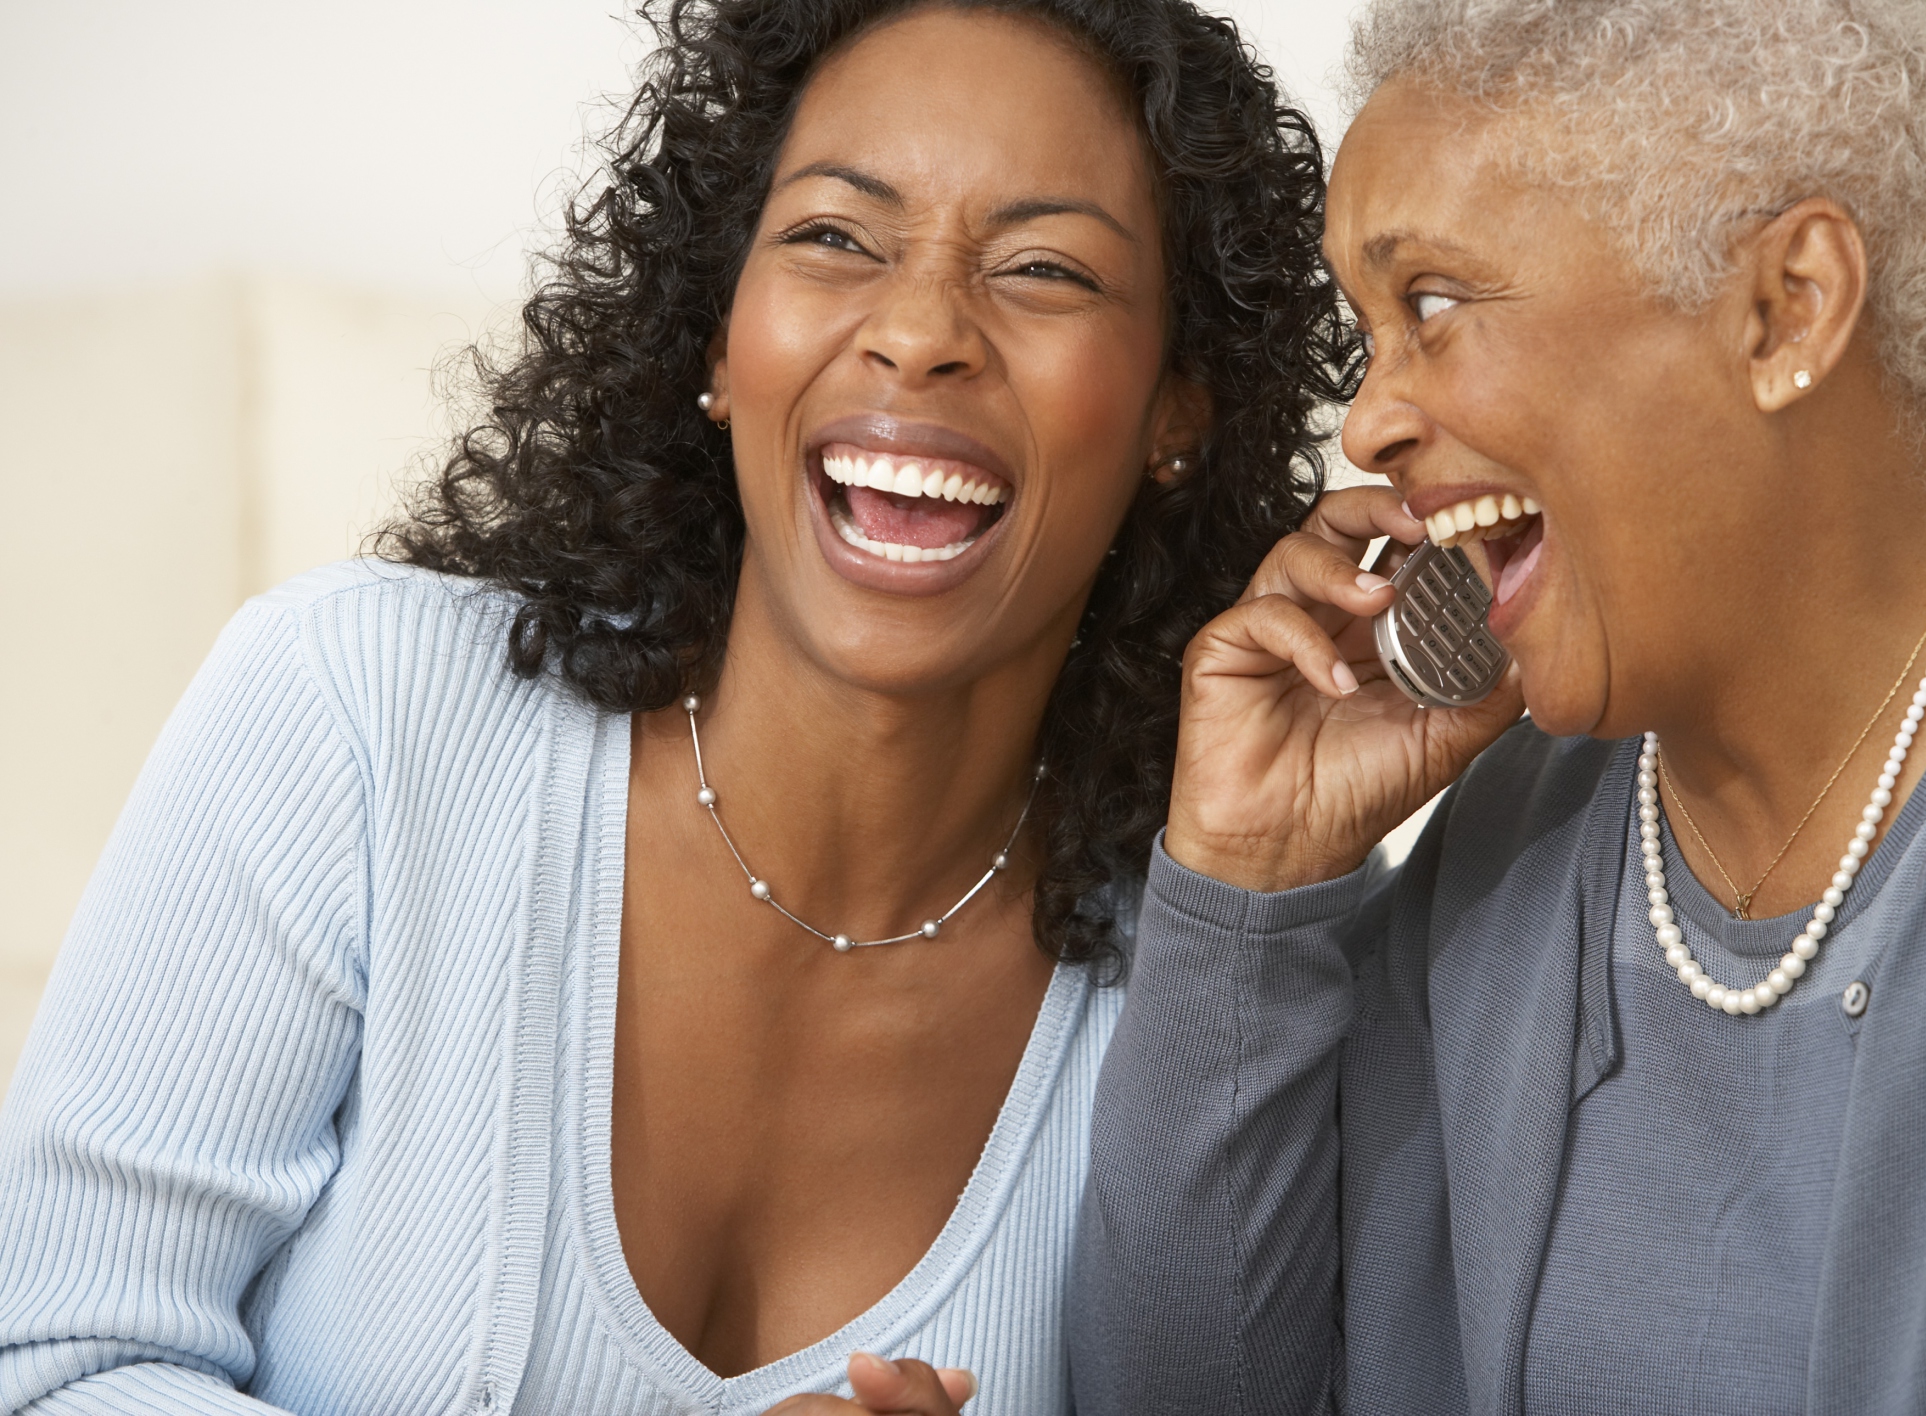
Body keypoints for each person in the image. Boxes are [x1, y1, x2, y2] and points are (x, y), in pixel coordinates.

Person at [0, 1, 1353, 1411]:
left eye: (1043, 268)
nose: (917, 331)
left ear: (1177, 412)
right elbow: (57, 1366)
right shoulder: (356, 713)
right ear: (721, 334)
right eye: (836, 237)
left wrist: (1259, 883)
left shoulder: (1206, 963)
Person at [1070, 1, 1926, 1412]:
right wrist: (1250, 878)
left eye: (1433, 304)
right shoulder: (1527, 822)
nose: (1369, 422)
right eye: (1368, 329)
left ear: (1785, 305)